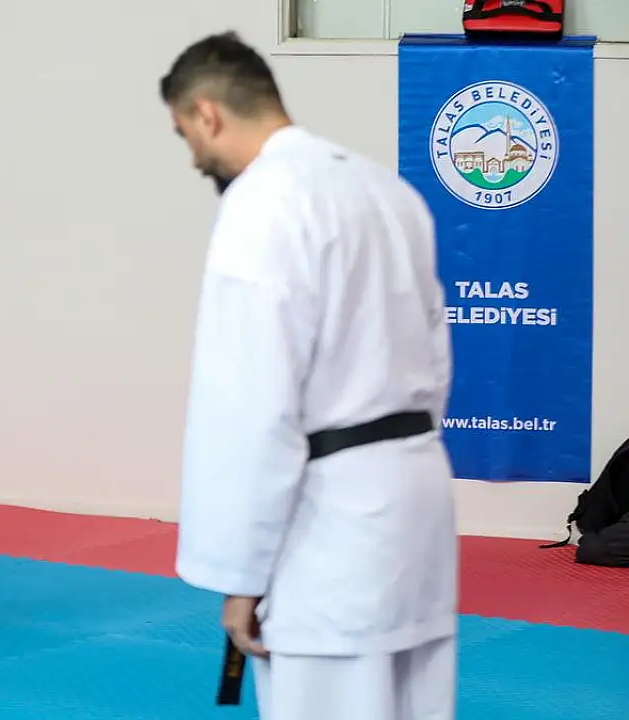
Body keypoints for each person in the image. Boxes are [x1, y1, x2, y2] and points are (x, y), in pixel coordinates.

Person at [161, 32, 458, 719]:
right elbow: (436, 353)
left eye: (186, 136)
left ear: (207, 114)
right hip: (415, 492)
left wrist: (241, 573)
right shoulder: (386, 189)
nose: (194, 158)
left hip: (329, 522)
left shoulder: (262, 203)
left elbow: (253, 404)